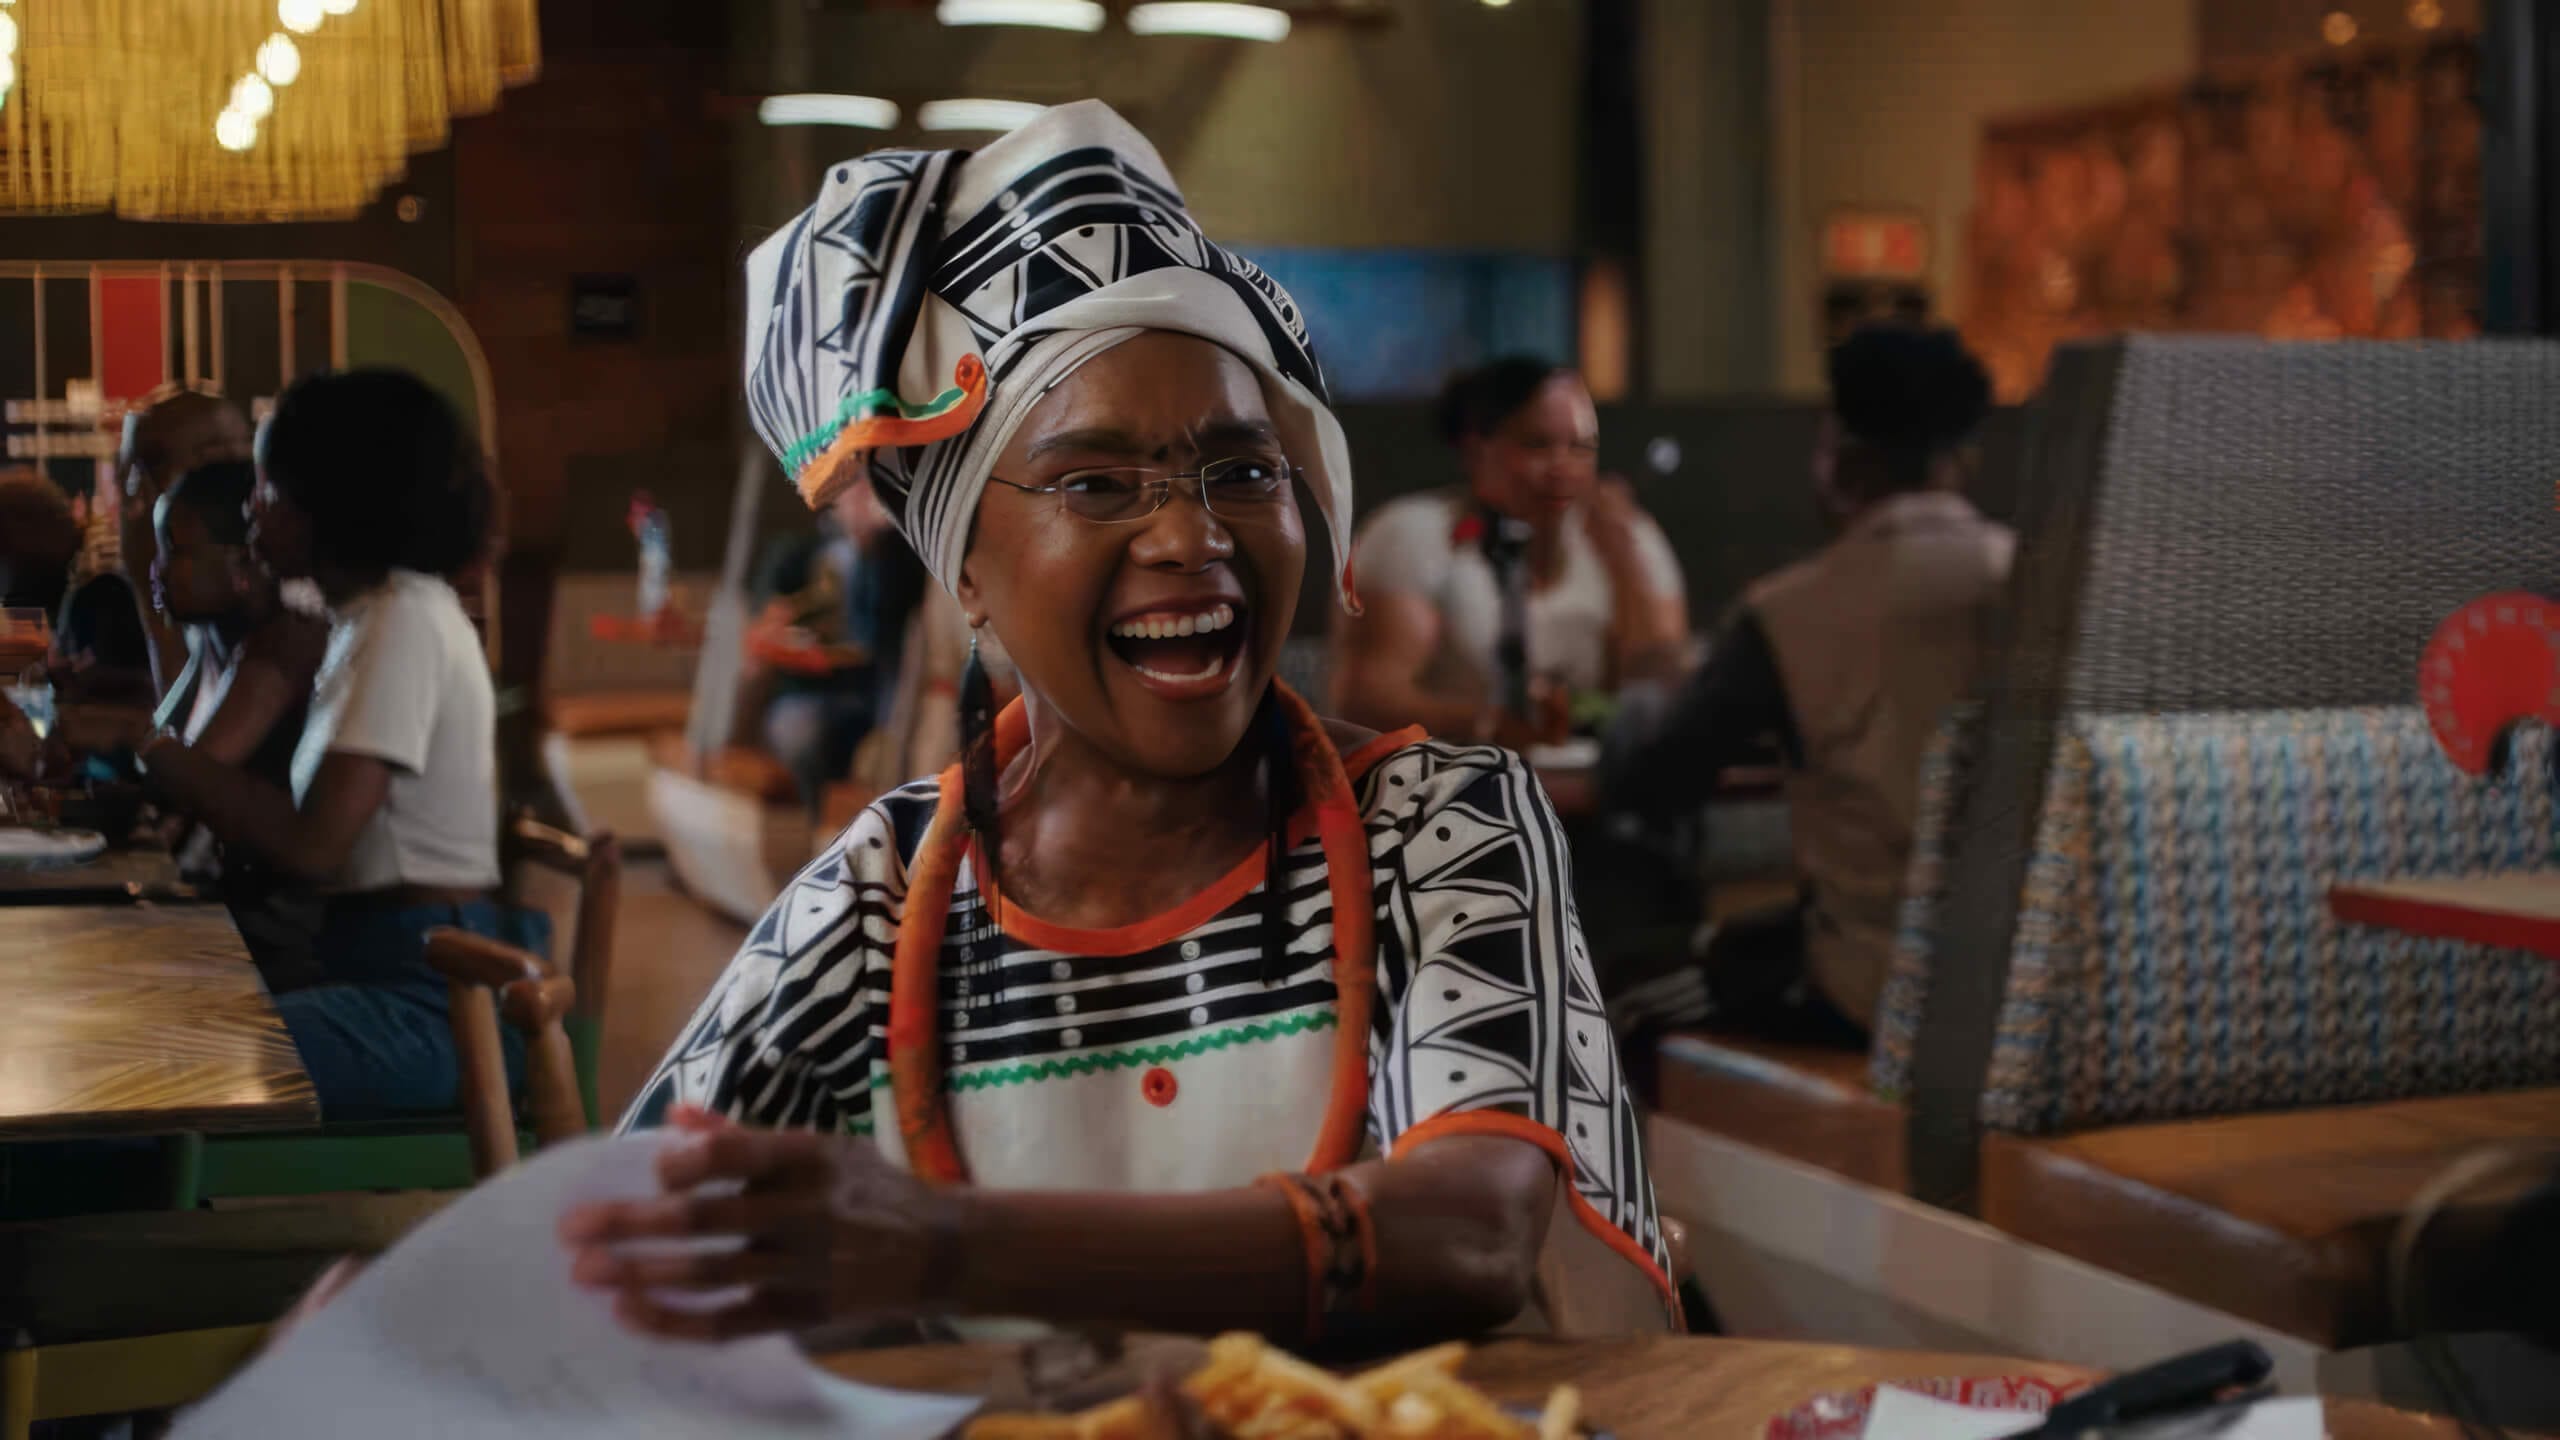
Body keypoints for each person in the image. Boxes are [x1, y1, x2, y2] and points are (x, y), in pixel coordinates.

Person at [566, 101, 1675, 1348]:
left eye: (1244, 471)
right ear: (967, 572)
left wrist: (936, 1246)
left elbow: (1467, 1234)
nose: (1191, 537)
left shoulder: (1437, 826)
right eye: (1096, 483)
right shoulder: (878, 915)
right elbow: (614, 1267)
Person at [60, 369, 527, 1115]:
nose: (251, 504)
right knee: (113, 1015)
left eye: (270, 489)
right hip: (379, 973)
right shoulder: (369, 620)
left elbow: (316, 846)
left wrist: (149, 744)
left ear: (328, 506)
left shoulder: (401, 620)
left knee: (130, 1047)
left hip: (431, 1005)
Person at [1601, 325, 2011, 1053]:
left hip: (1878, 982)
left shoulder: (1788, 611)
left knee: (1618, 999)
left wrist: (1640, 705)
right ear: (1964, 461)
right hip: (2025, 977)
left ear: (1842, 463)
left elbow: (1657, 778)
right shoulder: (2037, 579)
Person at [1332, 358, 1688, 747]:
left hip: (1595, 788)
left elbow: (1664, 695)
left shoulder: (1630, 535)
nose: (1563, 468)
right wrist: (1491, 726)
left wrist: (1628, 568)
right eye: (1538, 445)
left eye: (1581, 448)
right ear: (1476, 451)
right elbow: (1364, 700)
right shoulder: (1412, 537)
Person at [147, 459, 332, 992]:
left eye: (176, 550)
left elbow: (186, 776)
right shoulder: (214, 643)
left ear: (243, 562)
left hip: (276, 943)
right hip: (235, 921)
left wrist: (125, 737)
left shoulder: (285, 646)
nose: (158, 569)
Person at [743, 477, 928, 806]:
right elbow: (768, 610)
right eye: (854, 486)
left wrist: (875, 547)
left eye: (872, 485)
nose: (863, 495)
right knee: (796, 727)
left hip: (877, 696)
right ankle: (811, 823)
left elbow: (888, 624)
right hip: (810, 690)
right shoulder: (799, 553)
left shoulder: (899, 559)